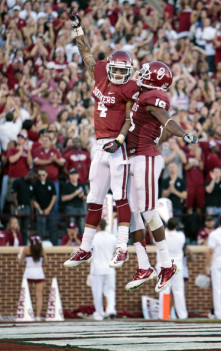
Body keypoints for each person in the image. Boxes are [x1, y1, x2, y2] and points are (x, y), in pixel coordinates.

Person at [64, 9, 140, 269]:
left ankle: (122, 248)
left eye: (123, 71)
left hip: (117, 145)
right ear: (108, 67)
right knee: (94, 197)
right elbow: (85, 54)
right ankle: (86, 248)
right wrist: (77, 28)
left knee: (120, 197)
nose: (119, 75)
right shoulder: (98, 73)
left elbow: (130, 118)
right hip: (99, 145)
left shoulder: (130, 88)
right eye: (115, 70)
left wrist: (120, 139)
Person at [123, 61, 198, 292]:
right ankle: (144, 266)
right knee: (133, 213)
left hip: (145, 157)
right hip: (134, 156)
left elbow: (166, 119)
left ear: (156, 80)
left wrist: (184, 134)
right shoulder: (141, 94)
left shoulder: (154, 97)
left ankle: (166, 264)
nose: (142, 75)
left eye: (147, 73)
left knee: (148, 210)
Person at [158, 217, 188, 319]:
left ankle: (165, 314)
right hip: (177, 266)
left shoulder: (161, 235)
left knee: (164, 291)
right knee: (178, 291)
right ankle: (182, 315)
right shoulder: (181, 236)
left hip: (164, 266)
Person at [90, 219, 117, 321]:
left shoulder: (93, 238)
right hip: (109, 269)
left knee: (97, 292)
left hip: (97, 269)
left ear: (97, 227)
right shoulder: (112, 237)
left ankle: (99, 313)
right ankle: (111, 310)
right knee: (110, 291)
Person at [18, 235, 47, 321]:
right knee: (39, 296)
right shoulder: (42, 249)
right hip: (39, 273)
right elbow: (46, 262)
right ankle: (37, 316)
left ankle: (28, 314)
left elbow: (20, 261)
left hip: (29, 273)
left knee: (27, 295)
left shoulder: (26, 249)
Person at [11, 170, 37, 245]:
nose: (34, 180)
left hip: (27, 208)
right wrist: (17, 209)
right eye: (33, 178)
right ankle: (15, 246)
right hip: (18, 207)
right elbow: (14, 196)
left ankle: (24, 246)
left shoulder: (31, 185)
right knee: (16, 228)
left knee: (25, 230)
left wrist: (32, 212)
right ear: (30, 174)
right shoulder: (18, 181)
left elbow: (31, 199)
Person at [33, 168, 57, 245]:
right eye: (39, 175)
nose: (41, 176)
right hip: (40, 210)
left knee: (53, 229)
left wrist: (48, 209)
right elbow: (33, 199)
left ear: (46, 175)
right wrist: (40, 210)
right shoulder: (35, 184)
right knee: (40, 230)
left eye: (43, 175)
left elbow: (54, 197)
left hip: (50, 210)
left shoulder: (50, 183)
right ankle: (40, 246)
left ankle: (54, 247)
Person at [61, 168, 87, 233]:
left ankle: (82, 241)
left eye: (75, 174)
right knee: (72, 226)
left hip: (80, 208)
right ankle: (71, 241)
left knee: (82, 226)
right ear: (69, 176)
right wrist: (74, 194)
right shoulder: (66, 185)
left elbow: (86, 198)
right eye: (72, 174)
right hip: (70, 208)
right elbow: (63, 198)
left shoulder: (81, 185)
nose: (74, 176)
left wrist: (82, 196)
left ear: (78, 175)